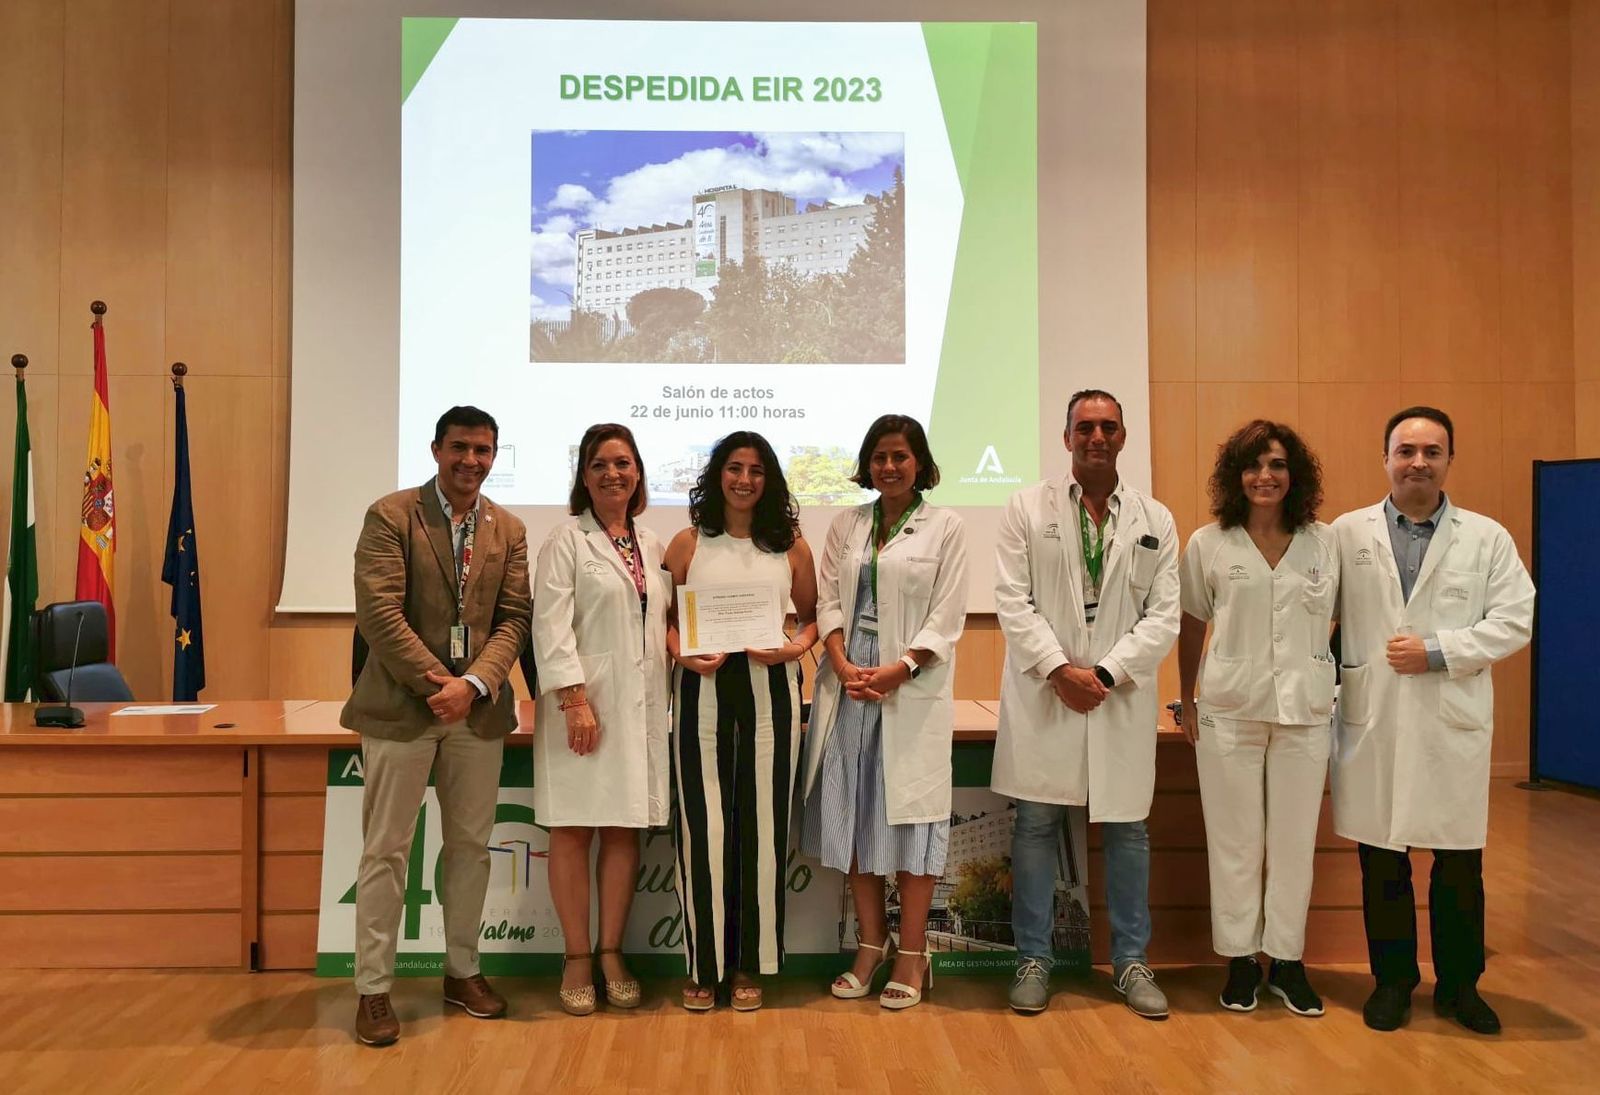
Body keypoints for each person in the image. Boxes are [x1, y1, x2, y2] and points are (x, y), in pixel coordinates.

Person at [1331, 406, 1534, 1035]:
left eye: (1432, 451)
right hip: (1375, 719)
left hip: (1451, 717)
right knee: (1382, 860)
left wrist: (1439, 651)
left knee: (1458, 865)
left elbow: (1515, 618)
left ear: (1449, 459)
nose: (1418, 461)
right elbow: (1311, 612)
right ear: (1385, 458)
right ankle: (1392, 982)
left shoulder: (1487, 537)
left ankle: (1459, 986)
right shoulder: (1345, 533)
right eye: (1406, 450)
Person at [341, 406, 531, 1046]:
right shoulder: (391, 515)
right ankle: (373, 989)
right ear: (435, 449)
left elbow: (514, 620)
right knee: (385, 852)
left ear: (495, 455)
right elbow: (379, 615)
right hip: (401, 711)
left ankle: (463, 970)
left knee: (471, 849)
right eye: (459, 448)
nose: (470, 461)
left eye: (482, 450)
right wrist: (439, 686)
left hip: (477, 715)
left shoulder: (509, 528)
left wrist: (473, 684)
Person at [993, 389, 1180, 1018]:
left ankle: (1130, 961)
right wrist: (1057, 670)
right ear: (1066, 436)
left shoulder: (1156, 519)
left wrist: (1101, 672)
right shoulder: (1026, 507)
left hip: (1115, 696)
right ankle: (1034, 958)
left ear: (1123, 437)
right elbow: (1012, 600)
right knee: (1037, 825)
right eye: (1085, 427)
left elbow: (1164, 616)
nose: (1096, 437)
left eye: (1108, 427)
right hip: (1049, 694)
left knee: (1129, 829)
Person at [799, 415, 968, 1010]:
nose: (888, 467)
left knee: (913, 823)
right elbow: (826, 601)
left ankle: (914, 954)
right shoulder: (847, 523)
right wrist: (843, 666)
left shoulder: (946, 527)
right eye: (878, 457)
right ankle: (871, 945)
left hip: (908, 686)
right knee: (854, 818)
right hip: (849, 687)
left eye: (899, 456)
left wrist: (898, 670)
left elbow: (947, 617)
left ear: (919, 461)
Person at [1177, 420, 1338, 1017]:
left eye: (1276, 465)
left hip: (1304, 713)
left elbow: (1347, 615)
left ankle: (1288, 962)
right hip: (1228, 712)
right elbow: (1192, 621)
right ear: (1234, 477)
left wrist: (1322, 667)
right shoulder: (1209, 543)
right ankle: (1241, 961)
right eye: (1252, 466)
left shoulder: (1326, 542)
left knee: (1294, 843)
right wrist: (1187, 699)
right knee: (1236, 843)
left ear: (1294, 475)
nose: (1264, 477)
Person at [663, 431, 818, 1011]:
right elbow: (666, 621)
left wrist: (791, 649)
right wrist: (679, 650)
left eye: (756, 469)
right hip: (701, 689)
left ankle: (750, 964)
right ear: (717, 475)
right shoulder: (686, 544)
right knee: (702, 829)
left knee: (762, 829)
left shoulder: (791, 547)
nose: (744, 479)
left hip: (770, 689)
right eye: (734, 468)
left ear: (769, 478)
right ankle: (704, 965)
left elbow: (809, 620)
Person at [530, 424, 670, 1014]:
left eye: (623, 462)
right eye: (599, 464)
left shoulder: (654, 542)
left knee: (621, 827)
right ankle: (577, 957)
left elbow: (660, 623)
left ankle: (612, 950)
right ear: (583, 476)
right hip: (581, 709)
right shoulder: (566, 539)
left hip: (638, 706)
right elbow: (550, 624)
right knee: (573, 828)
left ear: (638, 471)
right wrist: (573, 699)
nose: (613, 473)